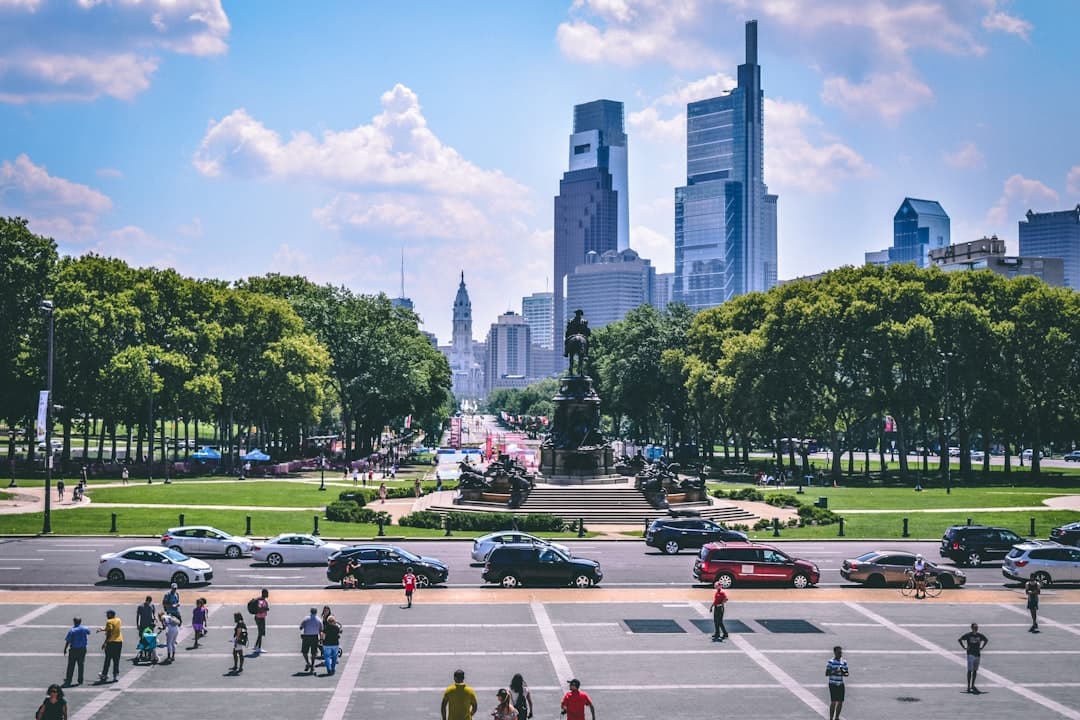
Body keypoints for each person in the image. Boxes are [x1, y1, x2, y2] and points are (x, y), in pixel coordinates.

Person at [958, 622, 989, 693]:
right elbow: (960, 639)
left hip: (977, 654)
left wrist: (982, 647)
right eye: (975, 627)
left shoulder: (979, 635)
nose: (976, 628)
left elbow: (986, 640)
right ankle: (968, 686)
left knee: (975, 670)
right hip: (970, 654)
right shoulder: (968, 635)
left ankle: (973, 685)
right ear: (972, 628)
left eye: (977, 627)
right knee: (969, 670)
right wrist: (964, 647)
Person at [62, 617, 91, 686]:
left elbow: (68, 641)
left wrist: (65, 649)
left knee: (71, 665)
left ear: (74, 622)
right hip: (82, 649)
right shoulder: (85, 628)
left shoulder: (72, 630)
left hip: (74, 650)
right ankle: (80, 680)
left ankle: (69, 680)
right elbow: (89, 632)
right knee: (81, 665)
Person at [96, 609, 122, 683]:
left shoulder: (109, 622)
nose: (106, 615)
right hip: (119, 642)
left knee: (108, 659)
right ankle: (115, 675)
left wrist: (105, 643)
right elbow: (113, 628)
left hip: (111, 643)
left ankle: (104, 674)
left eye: (107, 614)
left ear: (110, 614)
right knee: (116, 659)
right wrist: (102, 629)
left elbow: (110, 632)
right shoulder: (118, 620)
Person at [826, 645, 848, 720]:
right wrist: (836, 670)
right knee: (833, 701)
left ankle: (837, 717)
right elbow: (827, 673)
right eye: (839, 652)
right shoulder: (831, 662)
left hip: (840, 683)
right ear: (834, 652)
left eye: (841, 652)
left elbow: (846, 674)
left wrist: (842, 670)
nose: (840, 654)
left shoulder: (844, 662)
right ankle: (831, 718)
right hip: (832, 684)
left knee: (841, 701)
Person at [299, 607, 323, 674]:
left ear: (310, 611)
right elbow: (321, 630)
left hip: (306, 637)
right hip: (314, 637)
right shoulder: (319, 620)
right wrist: (321, 639)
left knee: (304, 652)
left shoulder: (306, 618)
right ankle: (312, 665)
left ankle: (308, 663)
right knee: (314, 653)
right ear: (316, 612)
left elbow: (301, 627)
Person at [253, 588, 270, 654]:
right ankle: (258, 648)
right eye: (267, 593)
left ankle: (256, 646)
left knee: (260, 633)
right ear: (264, 593)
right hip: (260, 618)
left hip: (259, 618)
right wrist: (266, 609)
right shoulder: (261, 601)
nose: (268, 594)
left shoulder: (260, 599)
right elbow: (259, 609)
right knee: (260, 633)